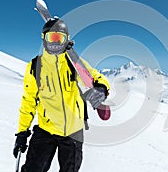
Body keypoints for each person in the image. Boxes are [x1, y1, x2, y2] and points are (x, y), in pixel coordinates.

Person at [13, 18, 110, 172]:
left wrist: (101, 88)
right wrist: (22, 132)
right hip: (46, 129)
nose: (55, 44)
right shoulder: (35, 67)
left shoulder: (74, 63)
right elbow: (28, 101)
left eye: (60, 39)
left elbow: (95, 77)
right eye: (52, 38)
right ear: (44, 39)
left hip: (73, 132)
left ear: (66, 41)